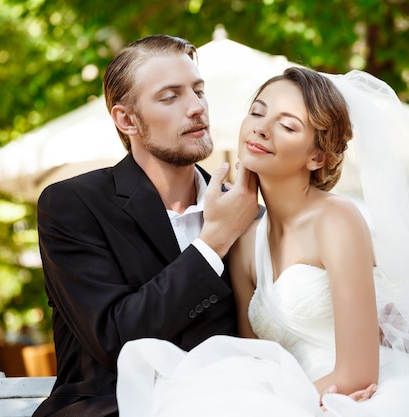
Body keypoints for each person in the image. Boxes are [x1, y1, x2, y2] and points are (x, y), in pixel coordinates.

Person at [116, 67, 409, 416]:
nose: (262, 129)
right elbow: (253, 358)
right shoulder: (246, 236)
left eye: (286, 126)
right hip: (283, 395)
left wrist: (279, 408)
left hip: (356, 396)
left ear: (318, 156)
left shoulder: (337, 219)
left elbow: (358, 373)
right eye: (257, 112)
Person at [32, 34, 260, 417]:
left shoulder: (248, 213)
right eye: (170, 97)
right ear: (126, 119)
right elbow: (117, 339)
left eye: (198, 91)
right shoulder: (72, 206)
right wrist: (213, 241)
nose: (195, 108)